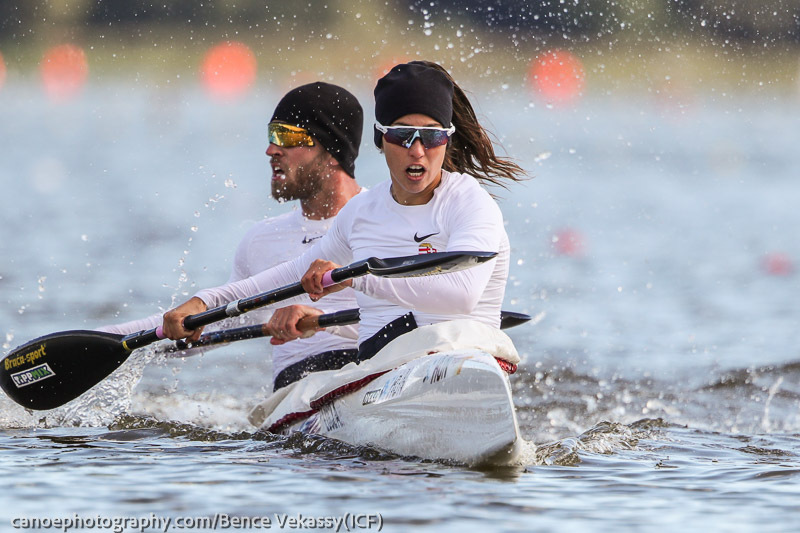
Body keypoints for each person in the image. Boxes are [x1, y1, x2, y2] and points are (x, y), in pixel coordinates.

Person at [162, 60, 527, 363]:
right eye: (402, 135)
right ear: (381, 140)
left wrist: (352, 277)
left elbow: (461, 295)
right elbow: (292, 274)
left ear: (446, 139)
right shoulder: (361, 213)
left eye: (431, 136)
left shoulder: (471, 204)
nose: (418, 151)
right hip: (384, 369)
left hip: (468, 361)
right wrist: (204, 301)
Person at [100, 81, 365, 390]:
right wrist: (106, 339)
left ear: (333, 152)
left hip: (377, 368)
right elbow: (222, 320)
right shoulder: (261, 241)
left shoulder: (380, 219)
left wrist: (320, 320)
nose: (271, 150)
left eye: (288, 137)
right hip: (298, 390)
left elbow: (416, 311)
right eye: (271, 135)